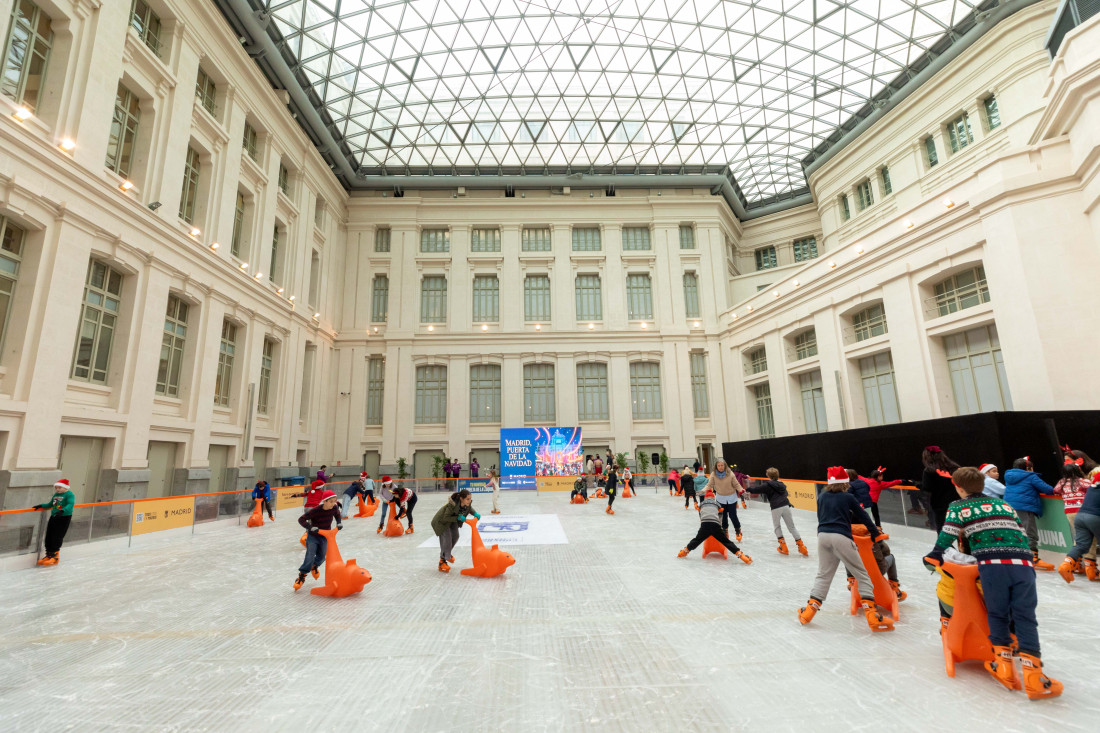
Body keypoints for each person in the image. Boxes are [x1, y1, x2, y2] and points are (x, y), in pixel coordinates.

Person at [923, 467, 1062, 699]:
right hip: (1023, 563)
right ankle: (1034, 677)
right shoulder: (1005, 505)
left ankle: (1003, 665)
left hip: (992, 564)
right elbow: (1021, 532)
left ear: (957, 487)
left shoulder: (958, 506)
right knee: (1024, 616)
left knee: (997, 613)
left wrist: (934, 555)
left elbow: (948, 533)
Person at [797, 466, 893, 631]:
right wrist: (874, 532)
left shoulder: (822, 496)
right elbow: (864, 516)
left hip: (822, 537)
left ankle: (808, 611)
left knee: (823, 575)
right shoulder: (848, 497)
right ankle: (873, 616)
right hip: (841, 537)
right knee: (862, 575)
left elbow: (820, 517)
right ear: (845, 482)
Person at [1003, 457, 1056, 570]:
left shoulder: (1008, 476)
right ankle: (1032, 558)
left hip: (1009, 507)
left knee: (1015, 532)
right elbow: (1048, 490)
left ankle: (1017, 557)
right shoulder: (1031, 476)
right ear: (1028, 468)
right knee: (1030, 533)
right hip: (1024, 507)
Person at [677, 489, 753, 564]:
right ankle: (741, 555)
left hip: (705, 525)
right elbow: (720, 516)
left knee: (697, 540)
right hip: (715, 525)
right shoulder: (717, 504)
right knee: (726, 542)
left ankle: (684, 551)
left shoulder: (701, 504)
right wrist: (719, 527)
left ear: (705, 498)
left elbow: (701, 516)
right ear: (713, 497)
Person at [1052, 463, 1094, 579]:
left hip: (1070, 512)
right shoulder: (1083, 481)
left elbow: (1055, 491)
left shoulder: (1062, 482)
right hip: (1084, 511)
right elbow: (1093, 487)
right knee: (1089, 537)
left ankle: (1075, 565)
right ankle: (1089, 567)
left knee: (1078, 537)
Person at [294, 490, 342, 591]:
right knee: (310, 555)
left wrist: (339, 523)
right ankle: (302, 575)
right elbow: (301, 519)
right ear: (324, 501)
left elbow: (337, 514)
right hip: (313, 536)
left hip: (325, 536)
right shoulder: (315, 510)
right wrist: (310, 527)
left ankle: (314, 566)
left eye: (335, 501)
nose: (333, 504)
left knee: (322, 557)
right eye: (331, 501)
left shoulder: (334, 508)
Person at [752, 468, 806, 555]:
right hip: (785, 506)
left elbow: (755, 490)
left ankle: (783, 547)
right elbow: (785, 495)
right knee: (792, 527)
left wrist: (744, 490)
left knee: (777, 526)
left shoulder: (767, 485)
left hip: (776, 507)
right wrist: (788, 503)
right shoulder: (782, 484)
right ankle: (802, 547)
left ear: (768, 476)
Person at [1058, 478, 1100, 582]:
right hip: (1094, 517)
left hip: (1080, 517)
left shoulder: (1091, 488)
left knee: (1081, 545)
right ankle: (1091, 570)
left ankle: (1065, 565)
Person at [432, 489, 479, 572]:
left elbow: (469, 508)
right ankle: (442, 561)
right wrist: (458, 518)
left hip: (452, 520)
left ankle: (446, 554)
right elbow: (445, 517)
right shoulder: (452, 504)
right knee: (447, 539)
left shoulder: (466, 503)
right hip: (441, 522)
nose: (469, 501)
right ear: (461, 498)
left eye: (470, 498)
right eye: (467, 499)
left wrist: (475, 513)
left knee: (456, 536)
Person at [32, 479, 76, 566]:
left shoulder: (69, 494)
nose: (57, 489)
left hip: (64, 517)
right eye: (56, 488)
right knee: (49, 535)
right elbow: (50, 505)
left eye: (59, 487)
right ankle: (48, 555)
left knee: (57, 536)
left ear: (65, 487)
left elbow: (71, 504)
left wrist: (62, 511)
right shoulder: (56, 495)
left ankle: (55, 555)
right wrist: (41, 506)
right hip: (54, 516)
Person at [921, 446, 960, 531]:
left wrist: (918, 485)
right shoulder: (954, 467)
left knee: (942, 528)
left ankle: (943, 544)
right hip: (958, 502)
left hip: (940, 505)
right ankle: (963, 544)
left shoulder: (929, 471)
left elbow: (927, 488)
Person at [706, 459, 745, 540]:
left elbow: (736, 484)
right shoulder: (713, 475)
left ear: (725, 466)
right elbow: (709, 484)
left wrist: (741, 490)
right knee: (723, 516)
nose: (720, 467)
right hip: (721, 498)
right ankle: (725, 530)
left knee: (733, 515)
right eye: (719, 465)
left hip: (731, 497)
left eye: (722, 465)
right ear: (716, 467)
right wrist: (704, 490)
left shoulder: (730, 474)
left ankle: (738, 530)